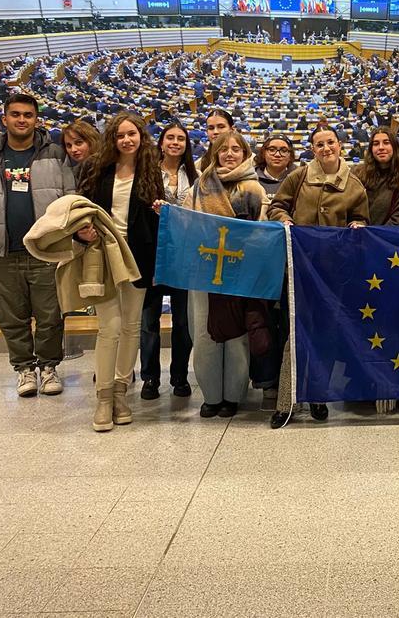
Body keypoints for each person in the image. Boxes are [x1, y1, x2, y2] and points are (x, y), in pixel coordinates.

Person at [0, 94, 74, 397]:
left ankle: (49, 367)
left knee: (51, 315)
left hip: (46, 250)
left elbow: (70, 198)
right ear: (4, 119)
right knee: (11, 316)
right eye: (15, 114)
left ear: (37, 119)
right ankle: (24, 368)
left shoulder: (55, 154)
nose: (22, 120)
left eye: (28, 115)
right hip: (1, 252)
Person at [266, 126, 369, 428]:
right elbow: (277, 206)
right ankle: (286, 401)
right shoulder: (298, 177)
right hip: (297, 266)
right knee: (293, 334)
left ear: (340, 145)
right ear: (312, 149)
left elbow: (360, 217)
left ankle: (318, 396)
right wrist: (284, 219)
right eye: (319, 144)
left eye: (330, 143)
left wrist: (358, 225)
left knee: (324, 335)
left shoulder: (354, 186)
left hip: (332, 272)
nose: (326, 148)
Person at [77, 113, 165, 431]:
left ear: (141, 136)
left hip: (139, 256)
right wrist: (81, 233)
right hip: (104, 255)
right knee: (109, 328)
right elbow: (79, 210)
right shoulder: (95, 169)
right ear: (112, 139)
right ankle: (102, 397)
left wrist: (159, 212)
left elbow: (157, 219)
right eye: (120, 135)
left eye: (132, 134)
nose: (126, 140)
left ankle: (120, 391)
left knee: (130, 327)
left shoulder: (150, 171)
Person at [188, 130, 270, 418]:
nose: (230, 153)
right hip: (204, 270)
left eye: (236, 149)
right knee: (205, 333)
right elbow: (188, 222)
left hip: (239, 270)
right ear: (215, 152)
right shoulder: (200, 186)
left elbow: (262, 231)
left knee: (237, 334)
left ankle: (233, 396)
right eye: (224, 149)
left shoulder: (253, 189)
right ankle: (211, 395)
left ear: (246, 154)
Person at [139, 122, 197, 401]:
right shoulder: (146, 173)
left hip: (183, 255)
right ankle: (150, 378)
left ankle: (180, 377)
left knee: (183, 322)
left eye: (180, 139)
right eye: (170, 138)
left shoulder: (194, 175)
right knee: (148, 321)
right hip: (152, 253)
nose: (175, 142)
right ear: (161, 143)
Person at [352, 128, 399, 226]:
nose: (381, 147)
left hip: (385, 237)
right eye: (376, 144)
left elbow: (397, 219)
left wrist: (372, 235)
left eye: (386, 143)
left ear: (394, 146)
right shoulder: (357, 173)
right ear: (371, 149)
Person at [255, 133, 296, 198]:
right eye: (272, 150)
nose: (277, 154)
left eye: (284, 150)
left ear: (290, 156)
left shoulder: (299, 179)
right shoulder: (251, 178)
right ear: (263, 153)